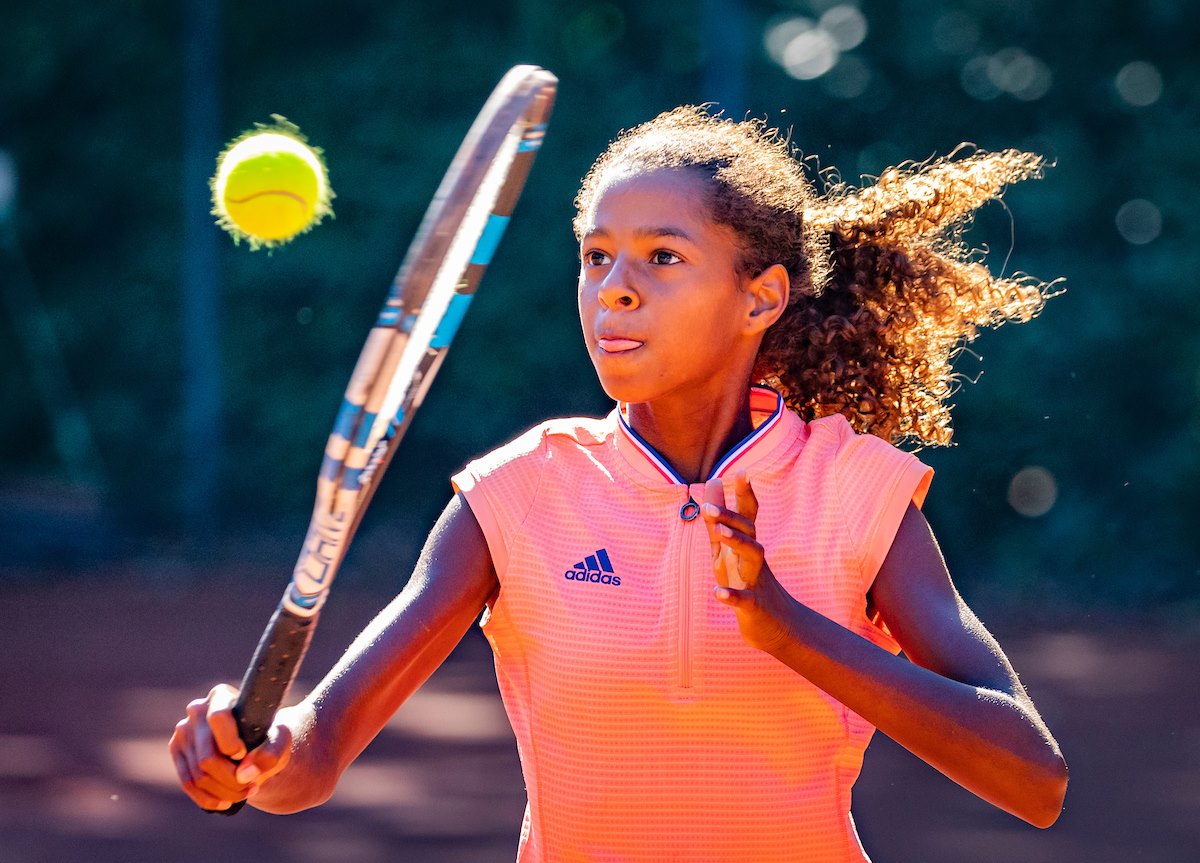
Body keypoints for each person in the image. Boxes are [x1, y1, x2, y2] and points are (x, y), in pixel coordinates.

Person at [171, 106, 1067, 862]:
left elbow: (1034, 777)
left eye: (662, 258)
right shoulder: (514, 494)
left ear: (760, 297)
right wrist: (257, 755)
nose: (615, 291)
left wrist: (788, 630)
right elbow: (319, 750)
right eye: (596, 257)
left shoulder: (859, 494)